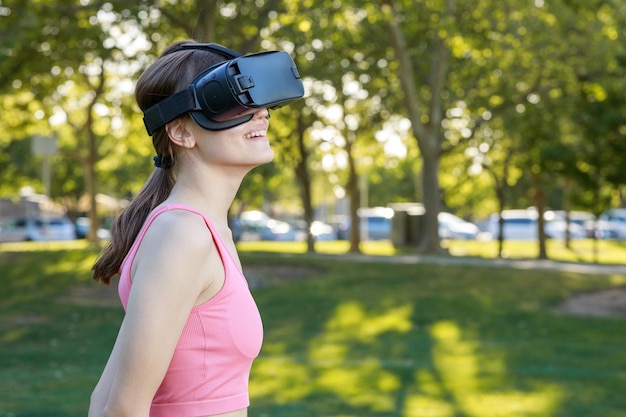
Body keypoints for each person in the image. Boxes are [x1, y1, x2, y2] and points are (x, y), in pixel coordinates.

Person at [88, 39, 303, 417]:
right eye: (232, 100)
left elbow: (102, 400)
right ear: (182, 132)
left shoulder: (199, 229)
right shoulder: (181, 234)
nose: (261, 114)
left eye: (257, 100)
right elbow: (121, 409)